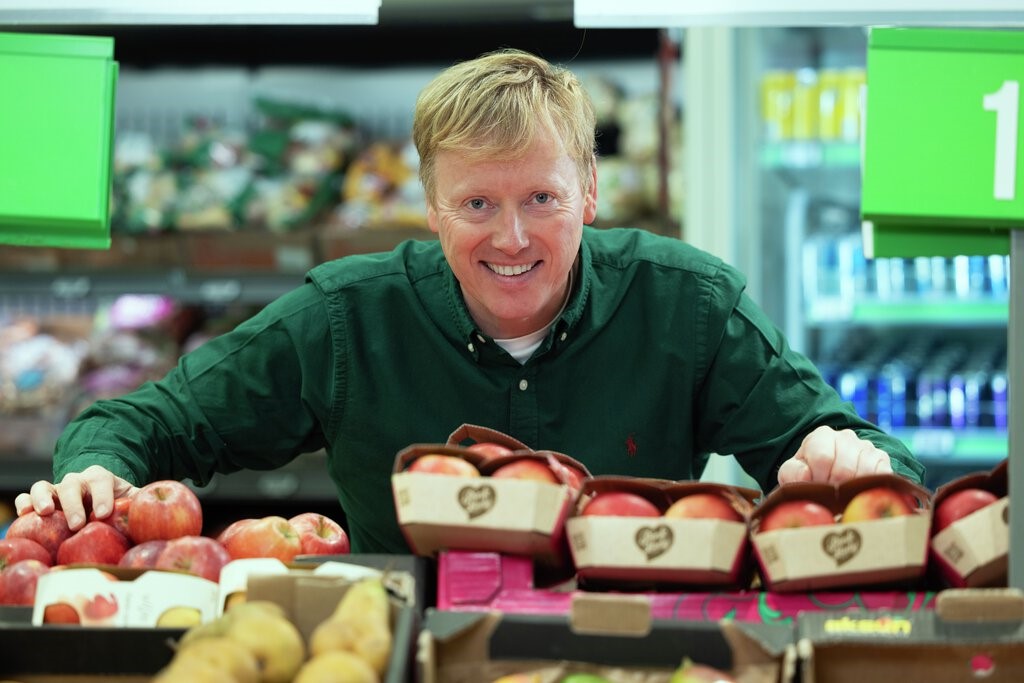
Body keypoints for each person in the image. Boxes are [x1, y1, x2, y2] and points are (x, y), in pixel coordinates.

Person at [15, 49, 924, 553]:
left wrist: (846, 462)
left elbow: (872, 459)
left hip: (630, 651)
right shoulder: (346, 318)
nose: (513, 238)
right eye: (477, 204)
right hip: (407, 653)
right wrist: (96, 468)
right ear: (431, 207)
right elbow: (141, 421)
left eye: (542, 198)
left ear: (591, 191)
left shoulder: (686, 305)